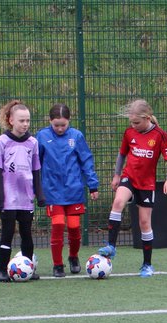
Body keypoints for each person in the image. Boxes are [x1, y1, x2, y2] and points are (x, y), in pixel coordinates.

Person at [97, 99, 167, 277]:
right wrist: (117, 175)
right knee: (117, 202)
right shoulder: (129, 133)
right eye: (131, 122)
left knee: (144, 223)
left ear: (147, 118)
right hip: (129, 177)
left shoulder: (160, 135)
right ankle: (111, 246)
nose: (134, 126)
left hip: (146, 184)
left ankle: (147, 264)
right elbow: (122, 153)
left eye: (137, 122)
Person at [37, 103, 99, 277]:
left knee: (74, 228)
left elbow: (86, 161)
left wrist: (92, 185)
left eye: (63, 125)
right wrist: (35, 187)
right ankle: (57, 265)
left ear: (69, 121)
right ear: (50, 121)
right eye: (56, 125)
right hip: (52, 191)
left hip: (74, 190)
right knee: (57, 225)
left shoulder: (76, 136)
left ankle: (73, 257)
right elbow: (35, 163)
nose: (59, 128)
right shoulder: (42, 136)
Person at [0, 100, 46, 282]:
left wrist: (40, 194)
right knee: (7, 234)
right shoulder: (2, 141)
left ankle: (28, 268)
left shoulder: (33, 143)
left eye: (28, 121)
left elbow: (36, 170)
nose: (25, 124)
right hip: (9, 198)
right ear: (11, 120)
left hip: (26, 198)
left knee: (27, 234)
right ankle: (1, 270)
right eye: (21, 120)